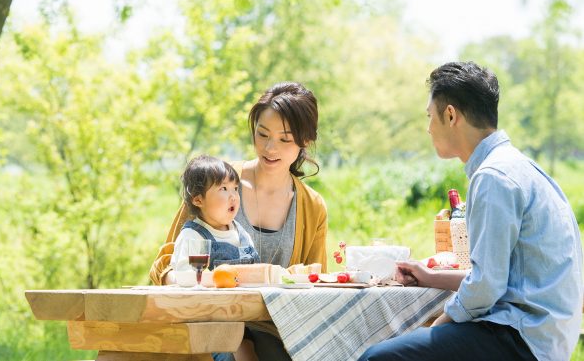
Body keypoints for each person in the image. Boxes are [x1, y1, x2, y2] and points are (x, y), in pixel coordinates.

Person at [359, 62, 583, 361]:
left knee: (378, 358)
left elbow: (486, 289)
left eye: (430, 116)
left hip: (521, 339)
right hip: (545, 335)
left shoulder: (493, 177)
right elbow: (496, 275)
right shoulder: (518, 166)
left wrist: (439, 324)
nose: (428, 128)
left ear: (450, 115)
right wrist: (430, 276)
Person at [150, 81, 328, 361]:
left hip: (274, 329)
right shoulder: (217, 183)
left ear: (305, 140)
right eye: (262, 134)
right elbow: (166, 264)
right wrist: (196, 280)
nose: (270, 148)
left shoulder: (312, 206)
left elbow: (313, 284)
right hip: (208, 322)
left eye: (285, 139)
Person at [169, 155, 259, 361]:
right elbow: (183, 277)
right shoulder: (193, 235)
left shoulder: (240, 232)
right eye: (223, 189)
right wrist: (213, 279)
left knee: (250, 350)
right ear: (198, 199)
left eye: (235, 188)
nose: (233, 196)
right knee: (236, 351)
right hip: (204, 324)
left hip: (241, 321)